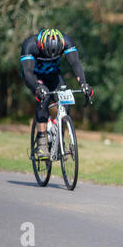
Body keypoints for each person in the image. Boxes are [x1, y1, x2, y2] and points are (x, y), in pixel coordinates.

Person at [20, 29, 94, 159]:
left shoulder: (66, 41)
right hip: (35, 77)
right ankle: (42, 143)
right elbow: (27, 72)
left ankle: (60, 141)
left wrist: (83, 84)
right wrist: (38, 87)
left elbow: (75, 63)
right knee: (45, 97)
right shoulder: (30, 45)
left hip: (54, 76)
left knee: (65, 103)